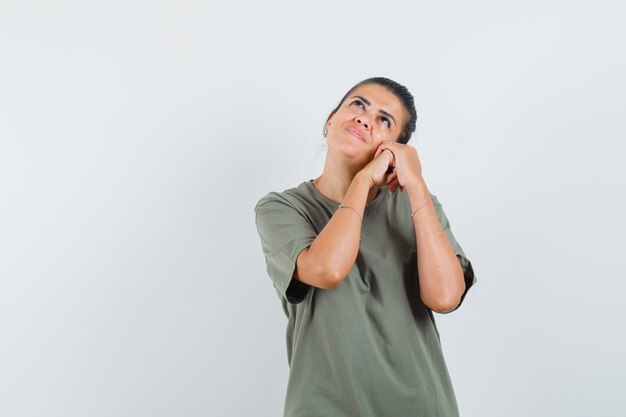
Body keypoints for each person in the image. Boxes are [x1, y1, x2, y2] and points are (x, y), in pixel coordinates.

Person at [254, 77, 477, 417]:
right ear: (331, 119)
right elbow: (327, 270)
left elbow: (445, 297)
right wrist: (361, 181)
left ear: (396, 149)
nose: (364, 118)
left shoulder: (418, 206)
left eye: (383, 120)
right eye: (357, 105)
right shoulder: (282, 208)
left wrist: (415, 185)